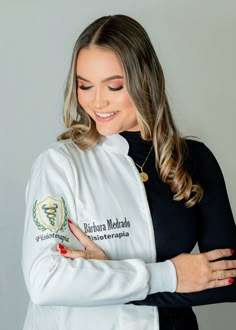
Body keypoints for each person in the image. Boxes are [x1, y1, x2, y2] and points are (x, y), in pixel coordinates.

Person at [22, 14, 236, 330]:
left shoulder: (194, 159)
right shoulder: (59, 166)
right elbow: (46, 281)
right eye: (85, 85)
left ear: (144, 79)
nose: (97, 101)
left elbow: (228, 279)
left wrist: (110, 276)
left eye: (114, 85)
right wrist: (169, 275)